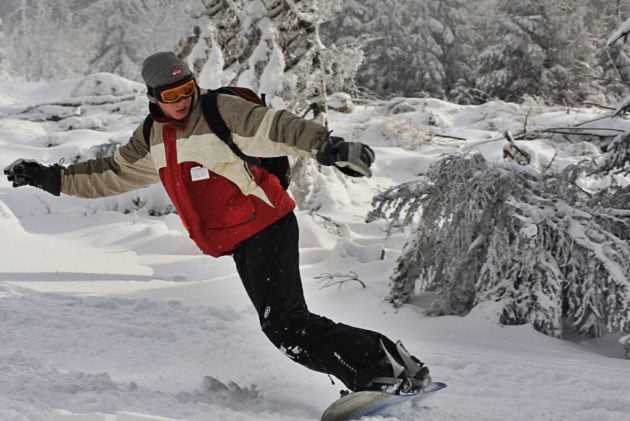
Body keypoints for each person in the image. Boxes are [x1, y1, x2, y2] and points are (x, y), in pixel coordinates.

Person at [4, 51, 430, 394]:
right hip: (240, 238)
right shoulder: (151, 137)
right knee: (286, 322)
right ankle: (392, 363)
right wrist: (48, 178)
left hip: (266, 225)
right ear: (153, 98)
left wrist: (328, 146)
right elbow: (109, 173)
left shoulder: (221, 110)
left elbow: (276, 127)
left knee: (285, 324)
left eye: (186, 89)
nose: (181, 101)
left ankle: (377, 375)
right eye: (170, 96)